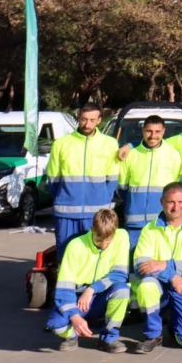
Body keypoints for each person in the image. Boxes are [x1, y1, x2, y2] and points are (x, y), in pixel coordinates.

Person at [131, 182, 182, 353]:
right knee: (146, 286)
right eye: (171, 202)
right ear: (161, 202)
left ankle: (174, 321)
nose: (176, 207)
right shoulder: (149, 229)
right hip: (161, 284)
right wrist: (172, 276)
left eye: (180, 202)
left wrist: (164, 264)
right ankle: (153, 334)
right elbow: (141, 265)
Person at [47, 209, 130, 353]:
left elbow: (120, 274)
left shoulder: (122, 236)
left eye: (108, 240)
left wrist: (92, 289)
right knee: (55, 324)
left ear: (115, 231)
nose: (103, 245)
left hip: (102, 294)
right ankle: (71, 336)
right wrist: (74, 316)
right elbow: (64, 288)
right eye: (98, 239)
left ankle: (109, 339)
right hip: (77, 297)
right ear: (92, 229)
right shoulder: (75, 245)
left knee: (122, 290)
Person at [48, 103, 119, 264]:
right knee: (66, 257)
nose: (87, 124)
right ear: (78, 118)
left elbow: (112, 179)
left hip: (96, 214)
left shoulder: (110, 144)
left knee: (95, 258)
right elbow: (53, 180)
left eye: (92, 120)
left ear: (99, 120)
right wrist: (64, 198)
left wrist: (102, 201)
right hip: (66, 213)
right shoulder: (61, 144)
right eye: (84, 119)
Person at [118, 115, 182, 247]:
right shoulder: (131, 154)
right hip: (134, 224)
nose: (153, 136)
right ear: (143, 130)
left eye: (157, 132)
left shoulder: (173, 155)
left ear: (163, 131)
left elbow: (174, 189)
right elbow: (122, 188)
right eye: (149, 131)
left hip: (161, 223)